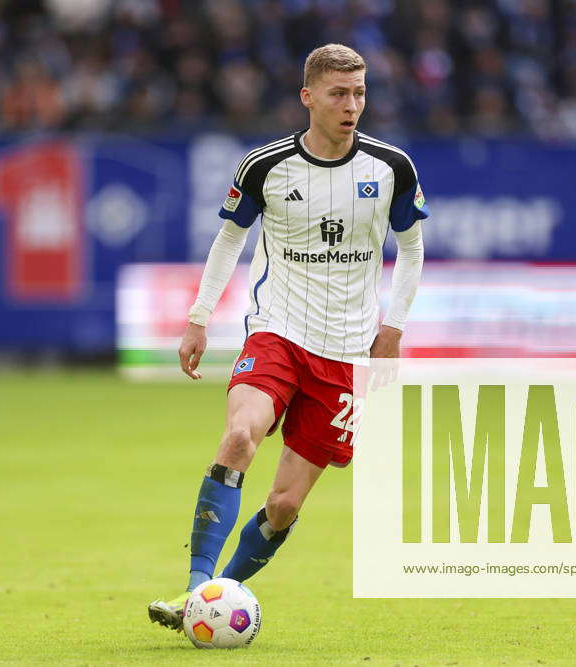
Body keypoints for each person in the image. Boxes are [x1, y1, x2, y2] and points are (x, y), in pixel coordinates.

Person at [148, 43, 428, 631]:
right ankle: (197, 587)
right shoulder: (266, 166)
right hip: (277, 332)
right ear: (308, 97)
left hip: (348, 354)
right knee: (240, 438)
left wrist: (394, 327)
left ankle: (219, 593)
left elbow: (412, 247)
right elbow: (229, 239)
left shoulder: (390, 167)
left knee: (284, 506)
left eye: (360, 94)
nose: (352, 106)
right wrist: (199, 316)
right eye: (339, 94)